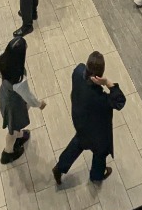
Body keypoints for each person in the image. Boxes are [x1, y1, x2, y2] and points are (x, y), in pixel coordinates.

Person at [52, 51, 125, 185]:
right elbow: (120, 101)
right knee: (100, 152)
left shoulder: (78, 72)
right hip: (97, 132)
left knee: (78, 143)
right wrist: (108, 82)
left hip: (80, 121)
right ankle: (97, 176)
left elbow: (79, 69)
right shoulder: (101, 99)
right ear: (100, 74)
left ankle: (60, 167)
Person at [0, 36, 46, 165]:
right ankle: (8, 152)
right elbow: (27, 96)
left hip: (4, 95)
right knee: (12, 130)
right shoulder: (19, 79)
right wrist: (39, 104)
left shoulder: (1, 57)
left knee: (14, 127)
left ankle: (19, 136)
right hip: (14, 105)